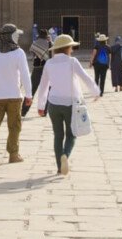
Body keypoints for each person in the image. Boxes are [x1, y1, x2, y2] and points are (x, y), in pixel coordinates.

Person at [35, 34, 100, 176]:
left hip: (53, 104)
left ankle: (59, 166)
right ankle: (65, 155)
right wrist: (96, 91)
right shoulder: (72, 62)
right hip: (71, 104)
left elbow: (43, 86)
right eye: (71, 47)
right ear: (67, 48)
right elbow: (85, 77)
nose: (72, 49)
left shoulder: (49, 63)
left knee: (58, 135)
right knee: (71, 135)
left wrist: (41, 106)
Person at [0, 23, 32, 164]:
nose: (18, 37)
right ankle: (13, 154)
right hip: (14, 96)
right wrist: (29, 94)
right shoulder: (18, 52)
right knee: (14, 126)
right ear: (10, 36)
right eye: (16, 35)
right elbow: (25, 75)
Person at [21, 29, 51, 117]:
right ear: (46, 35)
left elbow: (34, 54)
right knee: (47, 90)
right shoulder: (49, 43)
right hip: (47, 69)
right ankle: (44, 111)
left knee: (31, 90)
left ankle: (24, 111)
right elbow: (51, 55)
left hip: (37, 67)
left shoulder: (35, 43)